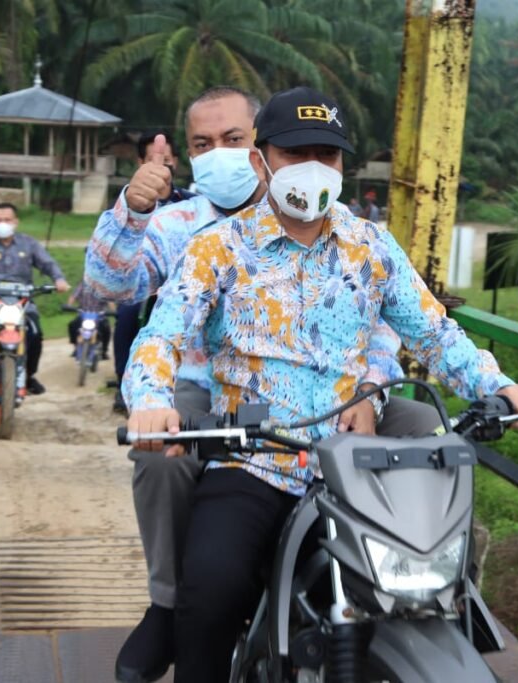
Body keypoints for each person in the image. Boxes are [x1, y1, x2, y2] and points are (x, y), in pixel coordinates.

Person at [123, 86, 518, 683]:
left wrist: (501, 384)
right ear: (262, 161)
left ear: (343, 164)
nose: (312, 169)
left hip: (357, 467)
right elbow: (162, 334)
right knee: (209, 590)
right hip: (257, 461)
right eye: (294, 154)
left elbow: (433, 332)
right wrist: (150, 402)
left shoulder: (371, 247)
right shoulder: (218, 248)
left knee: (432, 587)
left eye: (326, 156)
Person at [84, 85, 440, 683]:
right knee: (169, 460)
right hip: (215, 394)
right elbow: (114, 295)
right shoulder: (191, 231)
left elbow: (400, 322)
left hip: (340, 398)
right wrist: (133, 209)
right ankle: (170, 605)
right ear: (264, 158)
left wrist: (373, 391)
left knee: (432, 432)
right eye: (203, 144)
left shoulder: (363, 240)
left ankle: (440, 586)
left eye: (231, 137)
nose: (218, 152)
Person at [110, 131, 195, 414]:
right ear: (140, 162)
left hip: (184, 283)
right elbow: (115, 244)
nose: (162, 167)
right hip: (144, 280)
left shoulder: (189, 201)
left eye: (168, 161)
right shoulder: (130, 200)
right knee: (126, 314)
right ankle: (125, 382)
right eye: (154, 160)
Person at [0, 202, 70, 396]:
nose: (3, 224)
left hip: (23, 302)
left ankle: (29, 375)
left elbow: (47, 263)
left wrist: (58, 279)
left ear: (16, 222)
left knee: (35, 333)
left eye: (7, 220)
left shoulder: (29, 244)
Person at [66, 281, 111, 359]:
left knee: (106, 328)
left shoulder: (104, 287)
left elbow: (110, 300)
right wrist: (68, 306)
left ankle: (104, 350)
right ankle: (76, 346)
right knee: (72, 325)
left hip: (99, 316)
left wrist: (113, 311)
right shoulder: (83, 285)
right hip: (83, 315)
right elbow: (73, 296)